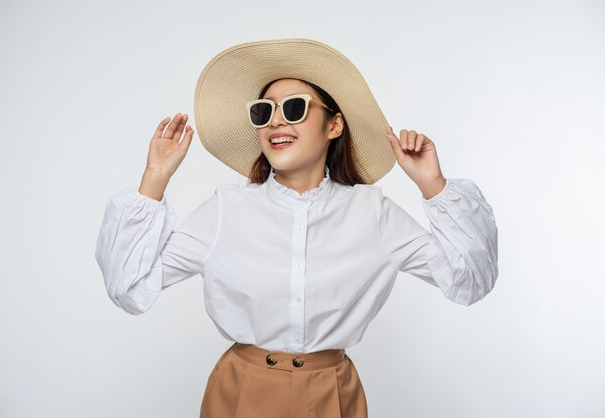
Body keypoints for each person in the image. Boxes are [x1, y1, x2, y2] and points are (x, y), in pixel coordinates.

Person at [95, 38, 499, 418]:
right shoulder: (226, 209)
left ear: (334, 125)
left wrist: (432, 184)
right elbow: (130, 288)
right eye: (263, 111)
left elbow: (470, 281)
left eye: (293, 109)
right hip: (240, 391)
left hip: (333, 393)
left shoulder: (372, 212)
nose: (275, 123)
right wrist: (155, 177)